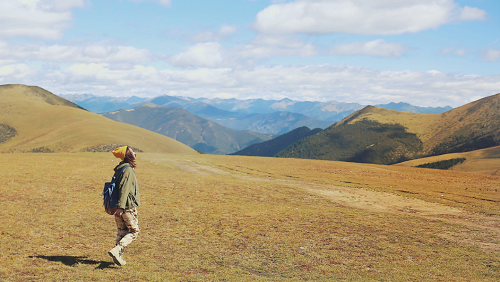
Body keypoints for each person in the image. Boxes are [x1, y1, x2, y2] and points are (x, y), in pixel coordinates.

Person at [108, 146, 140, 266]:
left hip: (117, 205)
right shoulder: (128, 170)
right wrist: (121, 207)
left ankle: (117, 258)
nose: (135, 153)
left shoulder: (120, 168)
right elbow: (124, 189)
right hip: (126, 206)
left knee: (122, 232)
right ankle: (117, 250)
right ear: (128, 155)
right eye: (132, 151)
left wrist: (118, 207)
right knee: (134, 231)